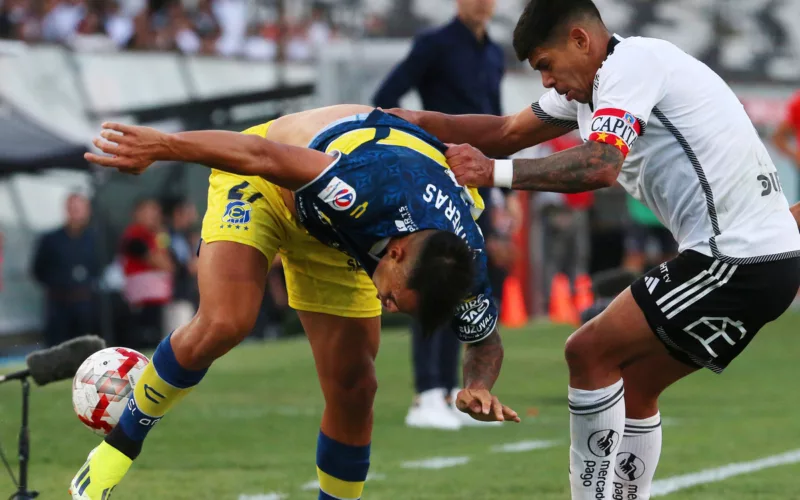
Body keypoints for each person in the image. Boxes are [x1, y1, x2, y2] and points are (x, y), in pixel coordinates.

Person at [388, 1, 800, 498]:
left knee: (587, 350)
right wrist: (412, 121)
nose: (545, 81)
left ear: (581, 41)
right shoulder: (595, 90)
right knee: (636, 387)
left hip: (734, 257)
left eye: (545, 65)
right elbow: (505, 133)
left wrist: (492, 173)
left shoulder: (631, 66)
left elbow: (601, 164)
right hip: (758, 258)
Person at [69, 105, 519, 500]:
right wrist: (163, 144)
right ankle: (116, 449)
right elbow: (258, 156)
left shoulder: (462, 262)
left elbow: (485, 341)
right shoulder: (361, 188)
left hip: (335, 234)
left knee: (356, 386)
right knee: (226, 321)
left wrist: (478, 385)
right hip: (269, 182)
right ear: (397, 253)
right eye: (398, 298)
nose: (392, 307)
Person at [373, 0, 504, 430]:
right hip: (433, 182)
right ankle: (426, 392)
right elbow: (385, 98)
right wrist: (419, 147)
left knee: (458, 283)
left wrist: (499, 190)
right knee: (424, 278)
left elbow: (498, 127)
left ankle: (449, 392)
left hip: (475, 187)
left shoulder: (494, 52)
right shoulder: (434, 44)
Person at [32, 193, 98, 347]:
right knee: (57, 345)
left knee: (85, 345)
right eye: (73, 208)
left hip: (86, 301)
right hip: (58, 302)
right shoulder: (51, 239)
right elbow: (38, 269)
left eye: (80, 209)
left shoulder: (95, 239)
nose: (76, 213)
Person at [119, 198, 174, 349]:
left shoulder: (157, 235)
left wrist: (161, 236)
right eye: (149, 211)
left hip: (159, 298)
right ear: (137, 213)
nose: (154, 215)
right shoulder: (133, 235)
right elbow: (160, 262)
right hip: (142, 299)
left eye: (156, 211)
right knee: (144, 339)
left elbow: (170, 262)